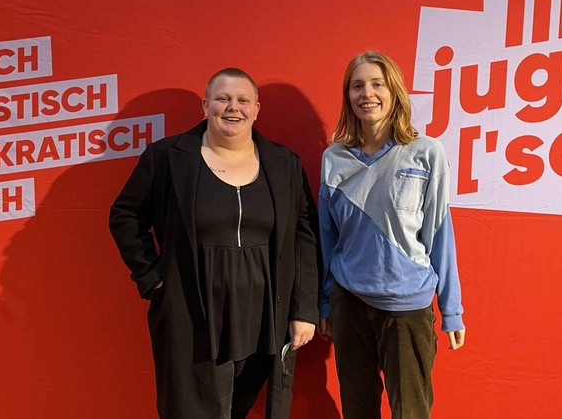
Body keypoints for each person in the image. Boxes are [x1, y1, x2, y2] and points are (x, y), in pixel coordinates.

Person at [109, 68, 319, 419]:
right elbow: (124, 215)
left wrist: (303, 310)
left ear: (256, 108)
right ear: (206, 105)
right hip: (193, 309)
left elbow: (304, 235)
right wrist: (153, 278)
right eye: (222, 99)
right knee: (193, 409)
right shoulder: (167, 157)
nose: (232, 107)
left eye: (242, 100)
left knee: (240, 405)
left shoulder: (284, 163)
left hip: (264, 311)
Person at [317, 51, 466, 419]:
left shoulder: (427, 153)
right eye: (357, 86)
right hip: (348, 304)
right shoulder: (334, 158)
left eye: (377, 84)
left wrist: (452, 310)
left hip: (406, 309)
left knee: (411, 412)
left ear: (394, 91)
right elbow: (326, 238)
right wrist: (324, 302)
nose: (367, 93)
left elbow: (440, 234)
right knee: (357, 408)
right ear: (348, 96)